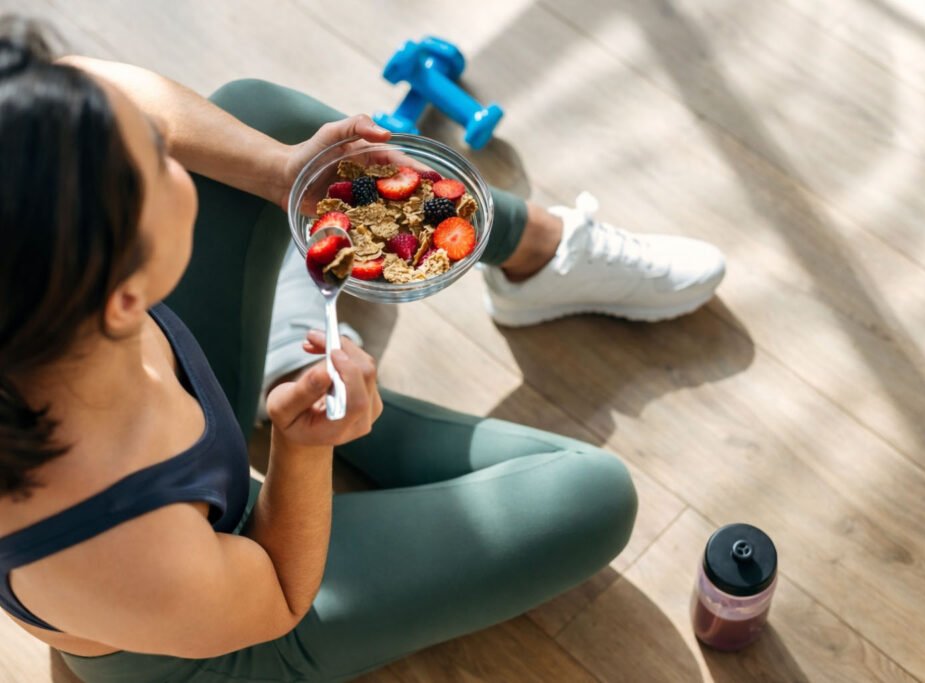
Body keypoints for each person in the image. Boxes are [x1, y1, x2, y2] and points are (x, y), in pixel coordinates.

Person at [0, 14, 718, 683]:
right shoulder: (107, 546)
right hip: (230, 615)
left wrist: (280, 169)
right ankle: (295, 386)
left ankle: (532, 255)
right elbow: (278, 591)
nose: (167, 144)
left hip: (157, 431)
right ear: (126, 293)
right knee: (592, 493)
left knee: (262, 116)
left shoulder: (51, 300)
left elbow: (106, 90)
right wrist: (303, 448)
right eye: (157, 161)